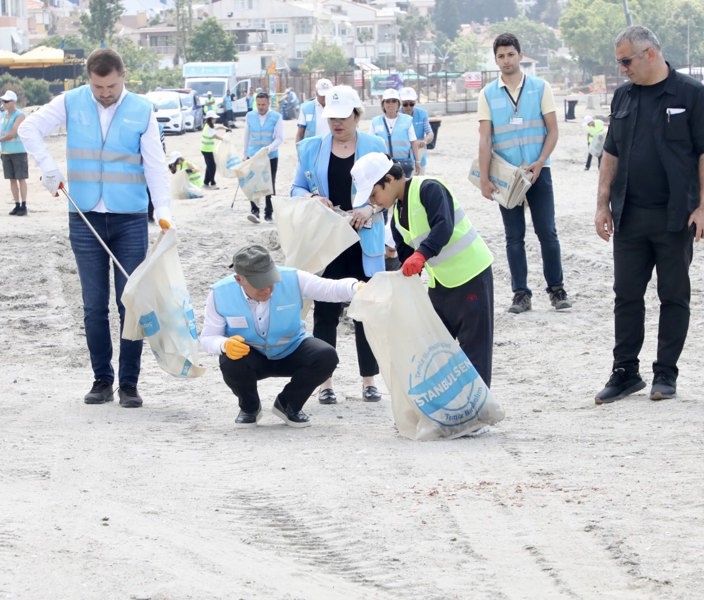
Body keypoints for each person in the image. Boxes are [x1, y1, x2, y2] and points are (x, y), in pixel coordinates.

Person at [18, 48, 172, 407]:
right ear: (89, 79)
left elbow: (155, 166)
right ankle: (102, 379)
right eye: (98, 87)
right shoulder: (71, 102)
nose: (105, 93)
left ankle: (129, 384)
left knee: (130, 303)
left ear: (124, 77)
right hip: (84, 214)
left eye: (112, 86)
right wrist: (48, 166)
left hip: (130, 218)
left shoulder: (142, 110)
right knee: (93, 305)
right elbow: (28, 128)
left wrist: (164, 211)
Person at [593, 25, 704, 405]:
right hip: (629, 215)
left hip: (676, 216)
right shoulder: (622, 97)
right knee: (626, 296)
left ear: (650, 54)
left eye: (626, 61)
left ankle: (665, 373)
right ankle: (625, 372)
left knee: (673, 295)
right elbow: (610, 152)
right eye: (619, 62)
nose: (622, 69)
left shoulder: (692, 95)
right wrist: (602, 203)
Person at [351, 153, 495, 387]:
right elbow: (407, 260)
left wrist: (421, 254)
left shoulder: (429, 188)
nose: (373, 202)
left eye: (374, 194)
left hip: (471, 274)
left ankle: (478, 413)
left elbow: (444, 225)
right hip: (441, 283)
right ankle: (452, 407)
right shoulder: (397, 217)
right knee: (438, 347)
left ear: (388, 179)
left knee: (475, 346)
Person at [290, 85, 388, 405]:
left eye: (343, 116)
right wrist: (312, 198)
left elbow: (390, 192)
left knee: (365, 311)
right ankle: (325, 382)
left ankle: (369, 380)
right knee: (325, 311)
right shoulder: (311, 149)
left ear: (357, 115)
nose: (337, 123)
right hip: (329, 242)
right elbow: (295, 189)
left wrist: (369, 209)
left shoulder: (375, 146)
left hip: (365, 240)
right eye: (331, 117)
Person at [200, 245, 364, 427]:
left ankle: (288, 404)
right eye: (260, 284)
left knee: (326, 356)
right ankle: (249, 407)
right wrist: (224, 345)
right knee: (229, 360)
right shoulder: (219, 293)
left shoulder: (292, 278)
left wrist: (355, 287)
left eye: (271, 281)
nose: (268, 290)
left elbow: (329, 288)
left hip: (292, 348)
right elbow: (208, 338)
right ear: (239, 279)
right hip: (251, 356)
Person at [478, 32, 571, 315]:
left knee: (547, 232)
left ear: (520, 55)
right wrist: (484, 178)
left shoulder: (541, 87)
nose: (506, 60)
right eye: (501, 56)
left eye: (510, 54)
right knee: (513, 236)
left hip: (538, 172)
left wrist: (541, 161)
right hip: (507, 177)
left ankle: (556, 290)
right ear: (496, 60)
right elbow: (484, 139)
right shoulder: (487, 94)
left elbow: (553, 130)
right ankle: (521, 294)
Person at [244, 91, 284, 223]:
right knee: (252, 183)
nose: (261, 107)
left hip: (270, 156)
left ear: (268, 103)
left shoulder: (276, 117)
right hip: (253, 155)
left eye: (263, 104)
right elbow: (246, 136)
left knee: (269, 184)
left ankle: (268, 214)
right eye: (258, 104)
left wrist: (270, 148)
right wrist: (245, 155)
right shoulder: (249, 116)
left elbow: (279, 138)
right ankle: (254, 211)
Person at [0, 90, 29, 216]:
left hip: (18, 151)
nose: (4, 103)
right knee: (12, 179)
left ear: (13, 102)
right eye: (3, 101)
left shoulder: (20, 115)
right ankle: (17, 204)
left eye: (7, 101)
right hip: (6, 151)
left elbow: (13, 132)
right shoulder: (3, 115)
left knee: (21, 179)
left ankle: (24, 205)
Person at [370, 88, 420, 178]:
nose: (391, 104)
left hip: (403, 163)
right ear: (383, 104)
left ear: (398, 104)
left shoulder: (407, 120)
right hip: (382, 164)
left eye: (394, 101)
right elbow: (371, 144)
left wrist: (417, 161)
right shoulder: (375, 121)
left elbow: (413, 142)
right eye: (388, 101)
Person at [399, 87, 434, 174]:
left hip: (419, 152)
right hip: (402, 154)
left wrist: (425, 141)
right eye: (405, 104)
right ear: (400, 103)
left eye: (411, 104)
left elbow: (429, 133)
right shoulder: (396, 115)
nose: (408, 107)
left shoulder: (422, 114)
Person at [296, 78, 332, 142]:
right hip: (313, 148)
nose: (324, 97)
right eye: (322, 94)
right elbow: (300, 133)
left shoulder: (336, 107)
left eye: (327, 94)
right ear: (316, 92)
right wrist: (300, 150)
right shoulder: (306, 108)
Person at [200, 113, 227, 190]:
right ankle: (212, 183)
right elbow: (214, 136)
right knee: (212, 167)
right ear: (210, 119)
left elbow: (218, 126)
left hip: (208, 150)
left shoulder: (210, 125)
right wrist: (224, 139)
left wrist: (226, 128)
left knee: (209, 166)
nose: (215, 120)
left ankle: (205, 183)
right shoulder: (208, 128)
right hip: (206, 150)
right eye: (214, 118)